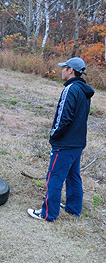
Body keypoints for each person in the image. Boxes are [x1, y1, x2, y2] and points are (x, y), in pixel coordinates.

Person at [28, 57, 95, 221]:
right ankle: (73, 209)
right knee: (73, 176)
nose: (61, 70)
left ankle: (47, 214)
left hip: (65, 143)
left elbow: (64, 117)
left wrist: (53, 135)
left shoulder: (70, 89)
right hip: (77, 143)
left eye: (63, 67)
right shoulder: (84, 90)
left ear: (70, 70)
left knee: (54, 177)